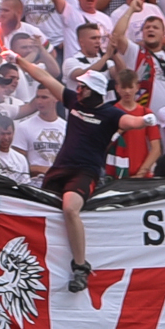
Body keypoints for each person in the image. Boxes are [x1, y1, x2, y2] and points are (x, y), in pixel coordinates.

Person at [11, 51, 148, 292]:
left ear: (93, 91)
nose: (79, 89)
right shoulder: (73, 101)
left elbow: (131, 122)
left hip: (85, 172)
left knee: (70, 208)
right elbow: (44, 77)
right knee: (36, 207)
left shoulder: (110, 114)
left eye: (83, 87)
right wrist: (17, 59)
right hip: (59, 169)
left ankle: (81, 266)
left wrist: (145, 120)